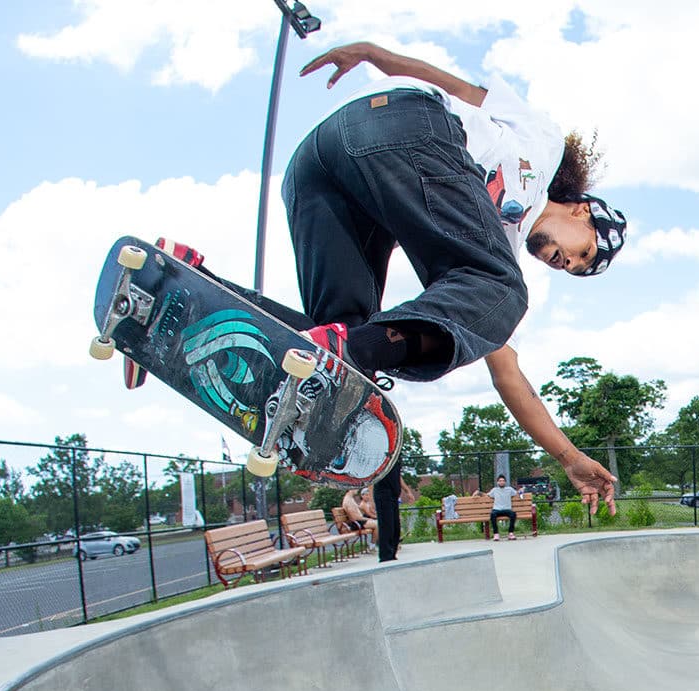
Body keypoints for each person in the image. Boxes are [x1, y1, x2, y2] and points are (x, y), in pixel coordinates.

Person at [150, 41, 621, 554]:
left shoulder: (493, 244)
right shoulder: (543, 141)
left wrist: (568, 455)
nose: (567, 264)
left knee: (340, 361)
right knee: (503, 292)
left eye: (575, 271)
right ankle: (348, 349)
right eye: (582, 254)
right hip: (393, 121)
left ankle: (177, 286)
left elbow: (506, 372)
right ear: (581, 211)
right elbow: (454, 86)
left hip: (318, 167)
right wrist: (376, 54)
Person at [489, 474, 518, 540]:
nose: (501, 482)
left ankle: (511, 533)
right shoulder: (494, 490)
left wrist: (522, 490)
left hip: (507, 509)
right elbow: (487, 495)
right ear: (497, 482)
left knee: (513, 514)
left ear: (505, 482)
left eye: (503, 481)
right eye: (500, 481)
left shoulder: (509, 489)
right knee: (492, 514)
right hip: (497, 509)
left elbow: (517, 493)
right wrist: (478, 493)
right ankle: (496, 534)